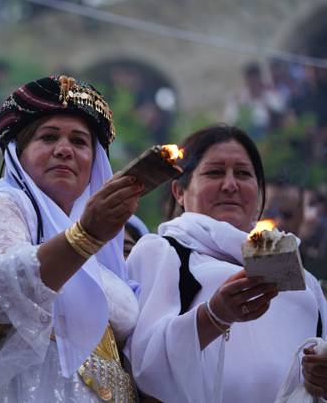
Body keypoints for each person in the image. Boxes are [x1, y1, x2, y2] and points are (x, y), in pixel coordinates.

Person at [0, 75, 144, 402]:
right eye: (48, 137)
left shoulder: (104, 241)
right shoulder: (2, 205)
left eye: (80, 142)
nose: (64, 150)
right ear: (19, 152)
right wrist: (83, 237)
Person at [126, 125, 327, 403]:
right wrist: (215, 316)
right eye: (214, 172)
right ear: (179, 191)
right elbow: (145, 367)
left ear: (258, 194)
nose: (230, 184)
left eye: (243, 174)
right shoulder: (163, 251)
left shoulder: (304, 280)